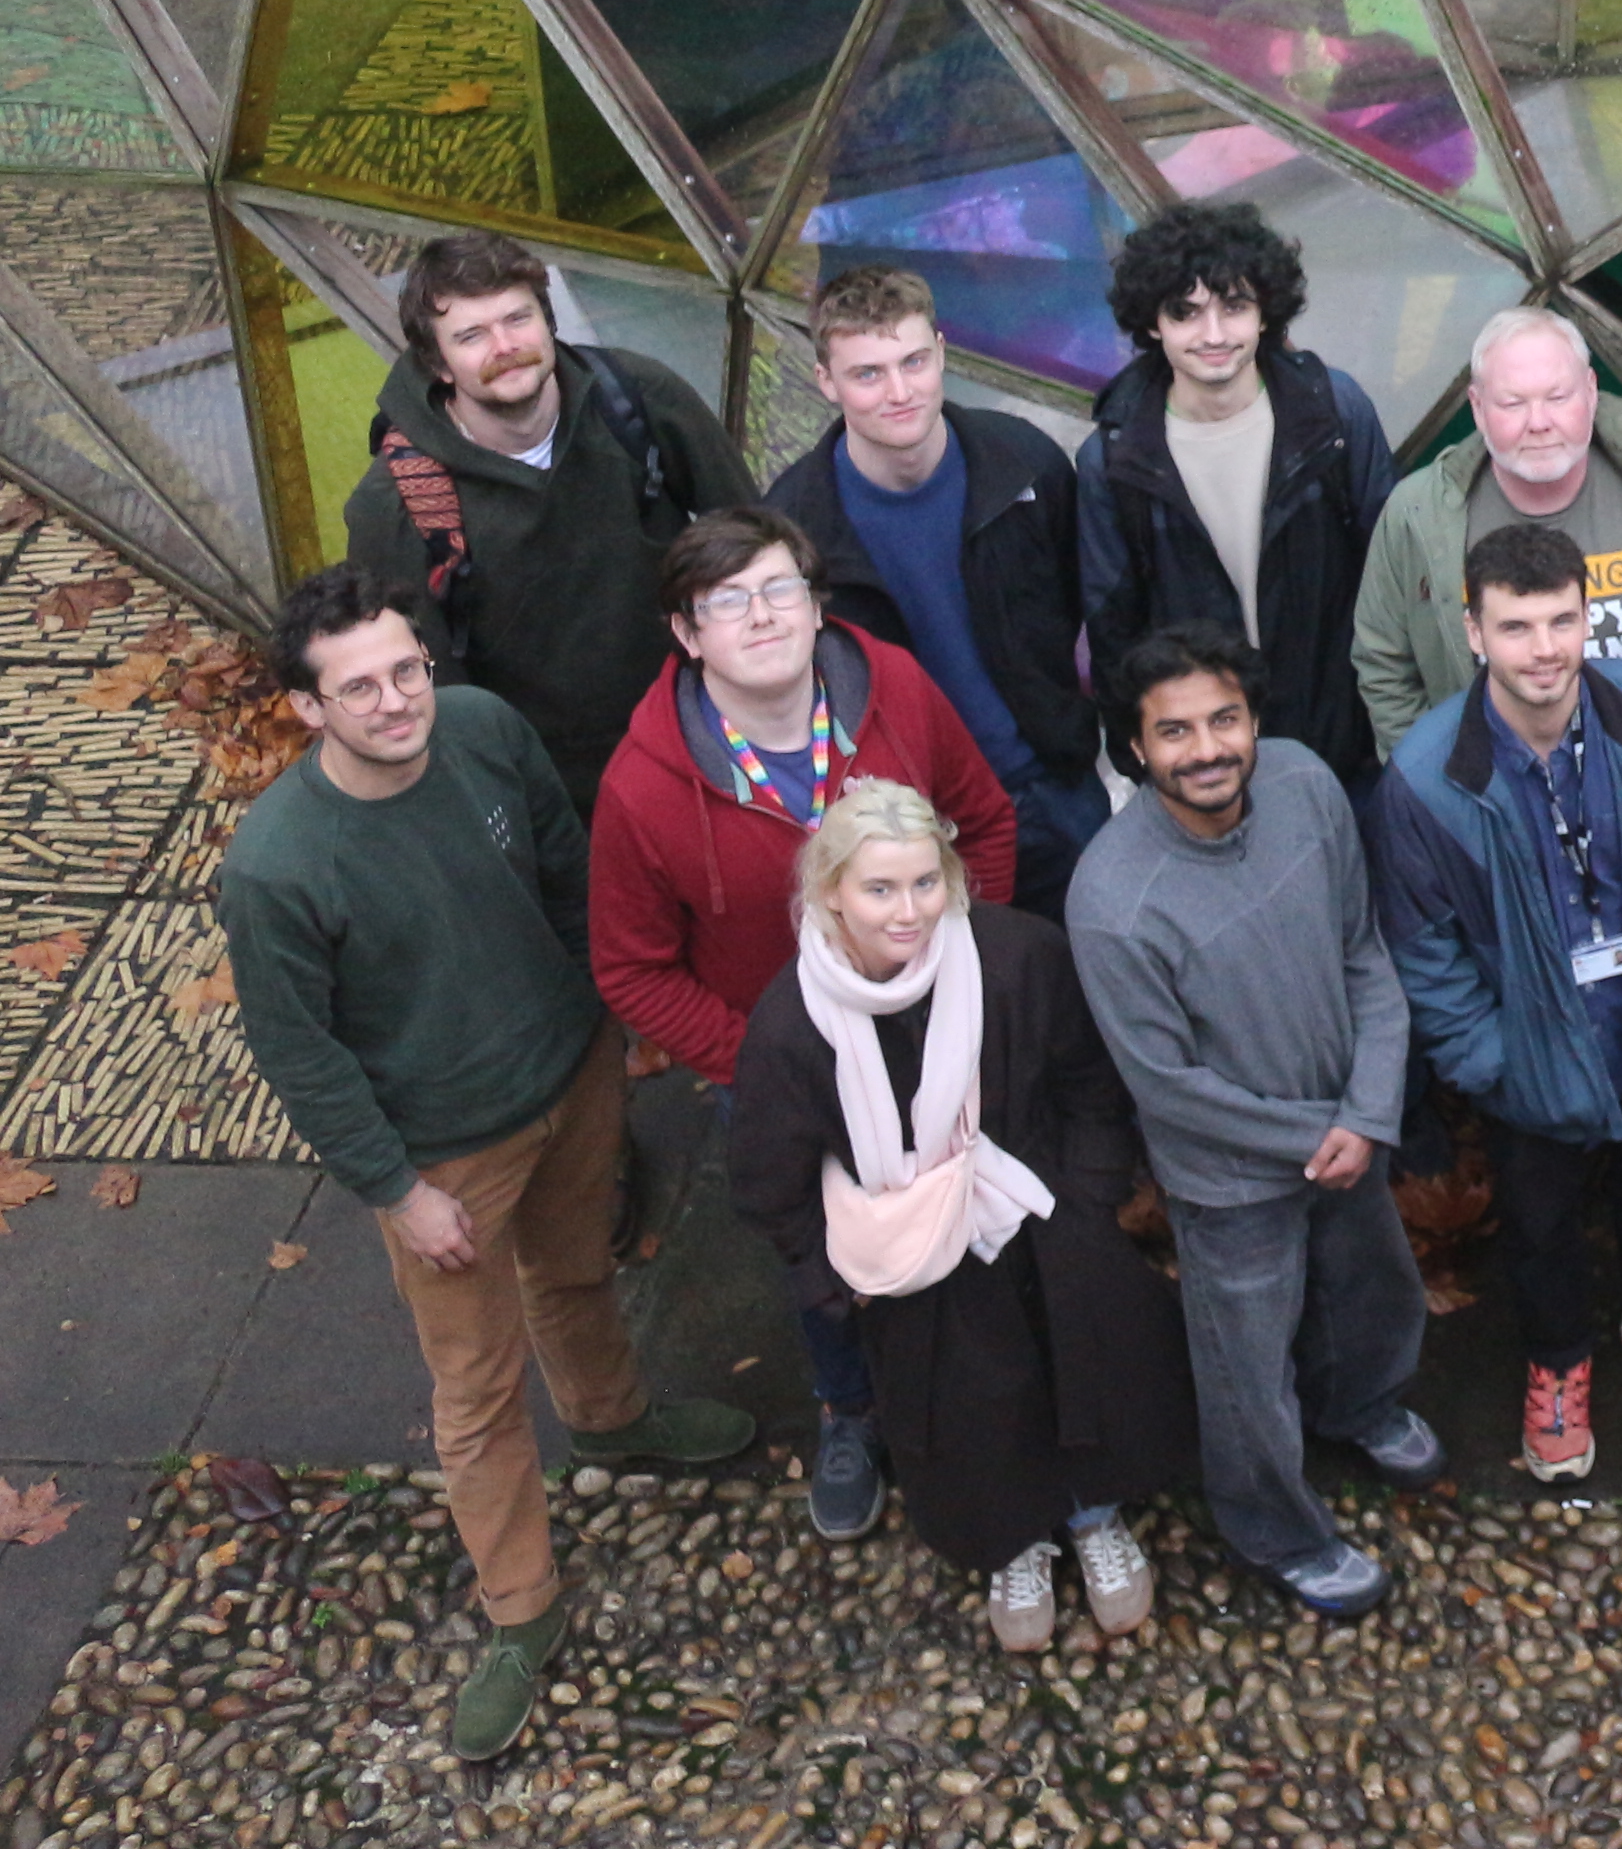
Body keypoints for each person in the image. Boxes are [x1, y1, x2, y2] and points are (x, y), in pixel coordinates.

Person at [216, 568, 755, 1760]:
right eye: (360, 687)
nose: (400, 700)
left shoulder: (486, 732)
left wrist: (612, 1017)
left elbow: (570, 881)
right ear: (308, 710)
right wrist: (398, 1192)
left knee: (574, 1275)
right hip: (447, 1151)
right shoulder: (276, 868)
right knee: (473, 1387)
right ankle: (523, 1607)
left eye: (408, 668)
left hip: (571, 1073)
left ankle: (614, 1421)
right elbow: (301, 1057)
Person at [587, 506, 1017, 1545]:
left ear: (819, 605)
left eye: (780, 589)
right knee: (818, 1256)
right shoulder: (644, 790)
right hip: (780, 1075)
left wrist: (974, 966)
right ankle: (851, 1411)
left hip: (936, 1034)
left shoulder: (898, 695)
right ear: (687, 635)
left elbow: (988, 821)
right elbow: (631, 970)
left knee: (966, 1216)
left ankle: (978, 1399)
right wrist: (763, 1064)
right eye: (726, 602)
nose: (761, 616)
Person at [723, 782, 1194, 1652]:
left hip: (1043, 1223)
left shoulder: (1016, 956)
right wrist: (834, 1287)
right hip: (916, 1269)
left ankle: (1093, 1514)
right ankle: (1014, 1539)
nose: (909, 912)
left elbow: (1092, 1083)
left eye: (925, 884)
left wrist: (1087, 1203)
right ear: (831, 893)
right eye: (880, 890)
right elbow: (769, 1177)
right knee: (973, 1409)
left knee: (1078, 1372)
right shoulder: (793, 1024)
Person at [1375, 521, 1622, 1483]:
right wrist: (1493, 1064)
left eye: (1562, 621)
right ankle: (1557, 1362)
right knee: (1541, 1220)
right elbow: (1423, 949)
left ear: (1590, 618)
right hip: (1531, 1055)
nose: (1544, 650)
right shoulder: (1427, 781)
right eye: (1516, 627)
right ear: (1474, 632)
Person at [1065, 625, 1438, 1619]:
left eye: (1224, 719)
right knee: (1246, 1374)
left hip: (1342, 1125)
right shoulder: (1111, 900)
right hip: (1232, 1179)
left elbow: (1364, 949)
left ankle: (1361, 1404)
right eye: (1174, 731)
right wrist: (1320, 1134)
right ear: (1136, 750)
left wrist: (1367, 1108)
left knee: (1371, 1289)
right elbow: (1167, 1085)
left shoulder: (1308, 786)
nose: (1207, 748)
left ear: (1255, 719)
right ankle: (1275, 1529)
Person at [340, 232, 751, 807]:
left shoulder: (636, 400)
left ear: (548, 321)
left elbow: (751, 541)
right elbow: (427, 692)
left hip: (704, 732)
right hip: (547, 790)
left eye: (517, 318)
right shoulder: (397, 504)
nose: (504, 346)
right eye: (472, 335)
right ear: (438, 363)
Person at [770, 268, 1110, 916]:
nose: (900, 391)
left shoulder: (1025, 463)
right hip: (913, 828)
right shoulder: (792, 532)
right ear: (826, 382)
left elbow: (1091, 613)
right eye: (868, 373)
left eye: (915, 362)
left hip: (1056, 787)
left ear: (942, 353)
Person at [1081, 202, 1398, 793]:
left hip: (1344, 747)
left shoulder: (1334, 413)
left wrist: (1388, 734)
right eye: (1186, 313)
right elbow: (1114, 633)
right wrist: (1145, 768)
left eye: (1234, 306)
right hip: (1205, 764)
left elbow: (1396, 581)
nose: (1214, 335)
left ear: (1263, 314)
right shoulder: (1114, 460)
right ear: (1153, 323)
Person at [1351, 303, 1622, 758]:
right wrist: (1441, 784)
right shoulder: (1416, 514)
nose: (1538, 422)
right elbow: (1384, 662)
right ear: (1477, 408)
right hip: (1483, 798)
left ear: (1592, 392)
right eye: (1513, 403)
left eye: (1558, 398)